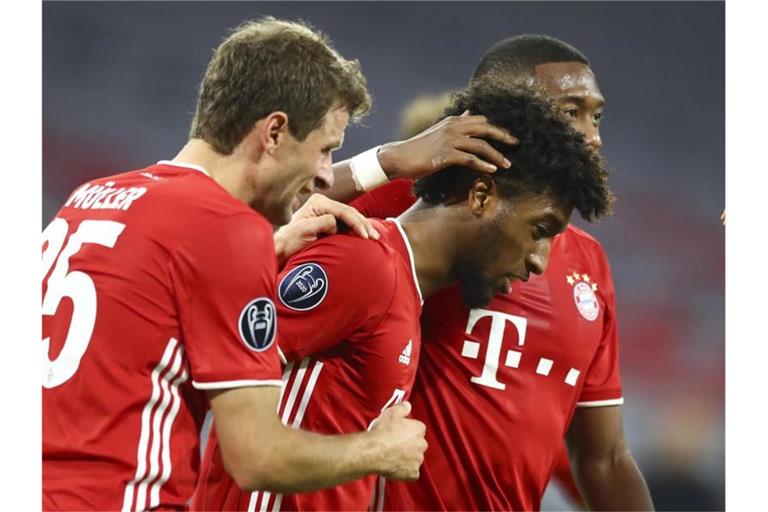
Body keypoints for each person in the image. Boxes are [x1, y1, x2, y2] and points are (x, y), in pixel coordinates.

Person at [42, 17, 433, 511]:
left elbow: (135, 309)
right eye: (325, 149)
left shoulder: (95, 196)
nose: (323, 174)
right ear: (273, 132)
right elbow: (256, 457)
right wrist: (380, 449)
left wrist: (263, 253)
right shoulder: (225, 231)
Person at [193, 80, 614, 511]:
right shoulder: (365, 265)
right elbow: (203, 372)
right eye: (539, 231)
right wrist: (377, 453)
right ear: (482, 195)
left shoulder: (406, 294)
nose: (540, 261)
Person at [335, 35, 654, 511]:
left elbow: (604, 458)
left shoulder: (588, 268)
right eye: (571, 113)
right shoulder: (419, 212)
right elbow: (256, 211)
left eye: (597, 116)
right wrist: (387, 160)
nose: (593, 136)